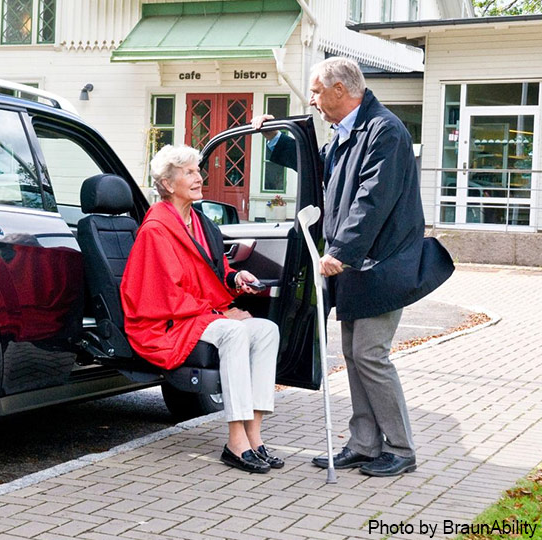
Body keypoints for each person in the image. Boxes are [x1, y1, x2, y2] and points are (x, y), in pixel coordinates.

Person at [254, 57, 453, 477]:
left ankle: (400, 448)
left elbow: (372, 200)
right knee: (353, 353)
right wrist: (276, 139)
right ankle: (364, 444)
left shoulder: (384, 132)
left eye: (315, 91)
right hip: (356, 267)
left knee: (370, 354)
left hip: (382, 265)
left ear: (339, 90)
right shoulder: (348, 133)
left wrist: (339, 251)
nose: (312, 100)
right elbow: (319, 165)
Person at [121, 144, 283, 474]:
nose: (199, 177)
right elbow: (163, 295)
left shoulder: (201, 223)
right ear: (167, 184)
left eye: (198, 170)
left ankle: (255, 436)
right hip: (168, 321)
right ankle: (235, 442)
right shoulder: (155, 230)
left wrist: (237, 276)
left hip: (201, 313)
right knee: (234, 331)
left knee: (267, 330)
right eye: (190, 172)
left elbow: (215, 270)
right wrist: (220, 314)